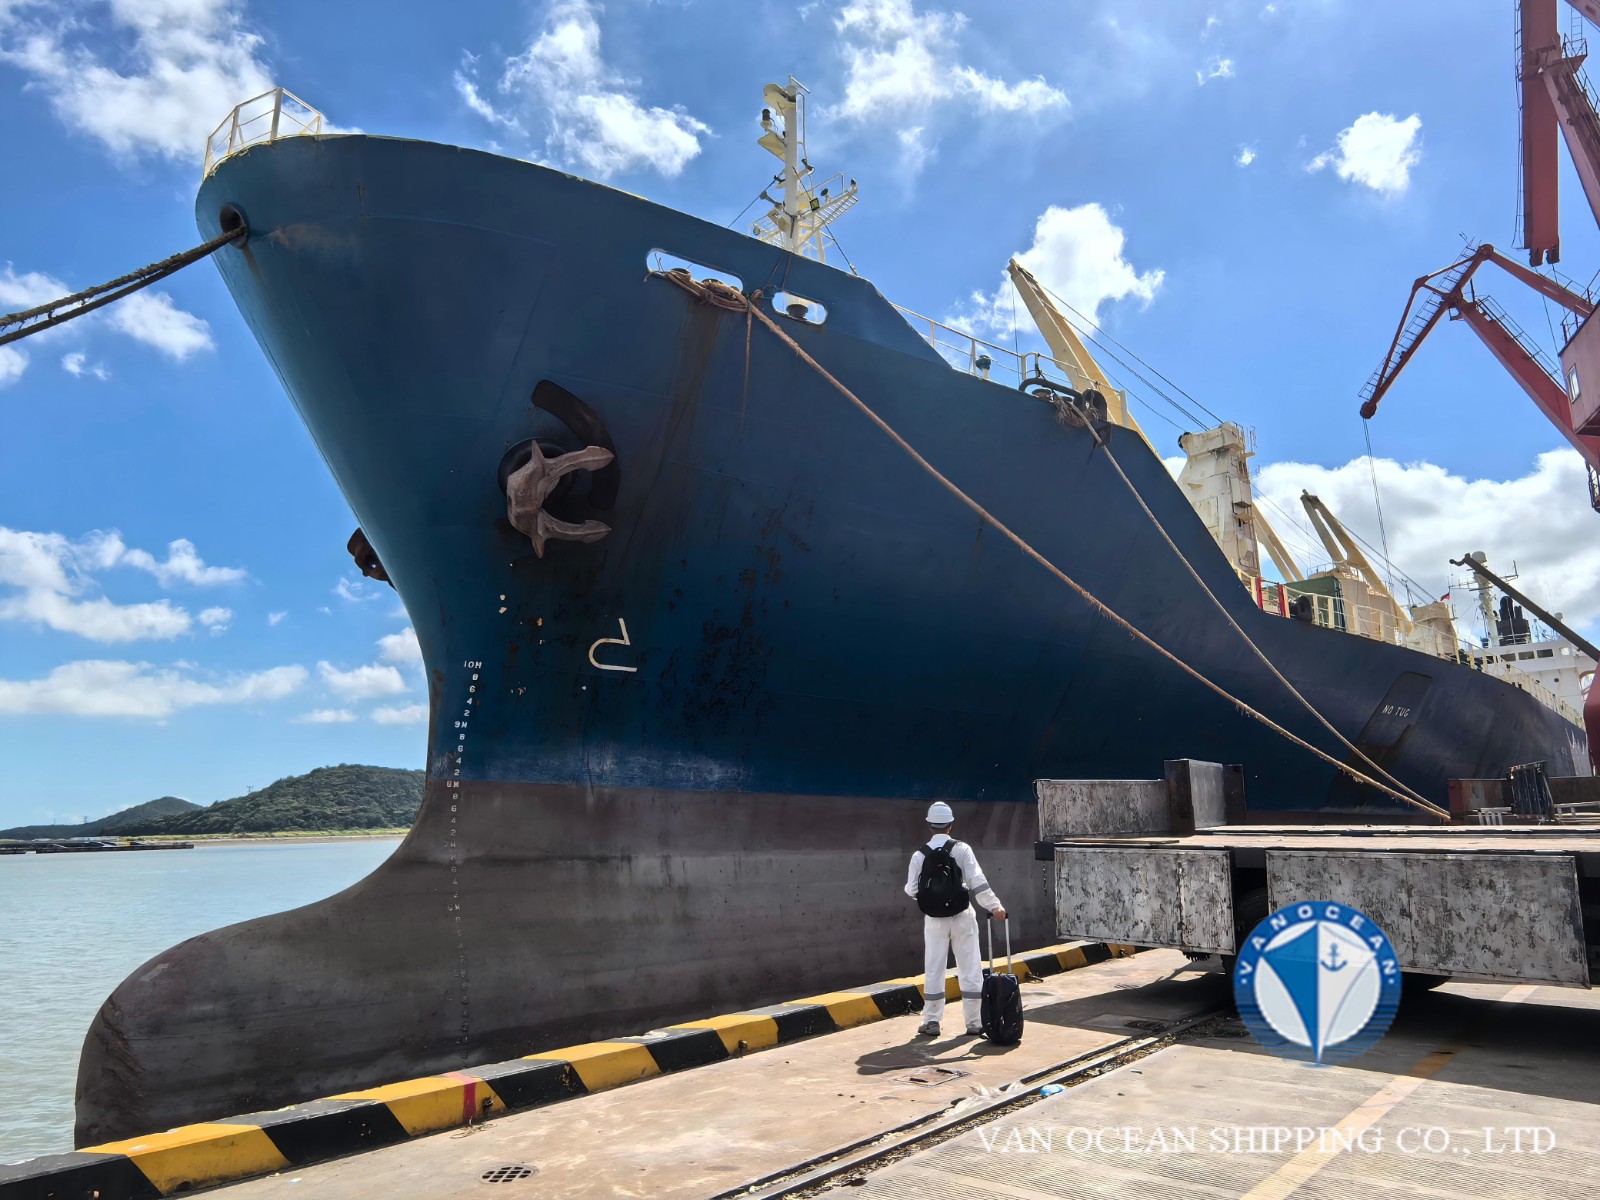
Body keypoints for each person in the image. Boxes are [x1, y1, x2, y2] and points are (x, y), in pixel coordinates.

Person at [904, 801, 1006, 1037]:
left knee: (934, 967)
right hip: (962, 916)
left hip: (934, 920)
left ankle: (932, 1021)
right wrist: (995, 906)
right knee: (970, 968)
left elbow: (911, 889)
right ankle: (975, 1022)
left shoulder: (919, 855)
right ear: (950, 825)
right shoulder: (962, 849)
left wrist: (932, 898)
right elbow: (977, 881)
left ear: (930, 825)